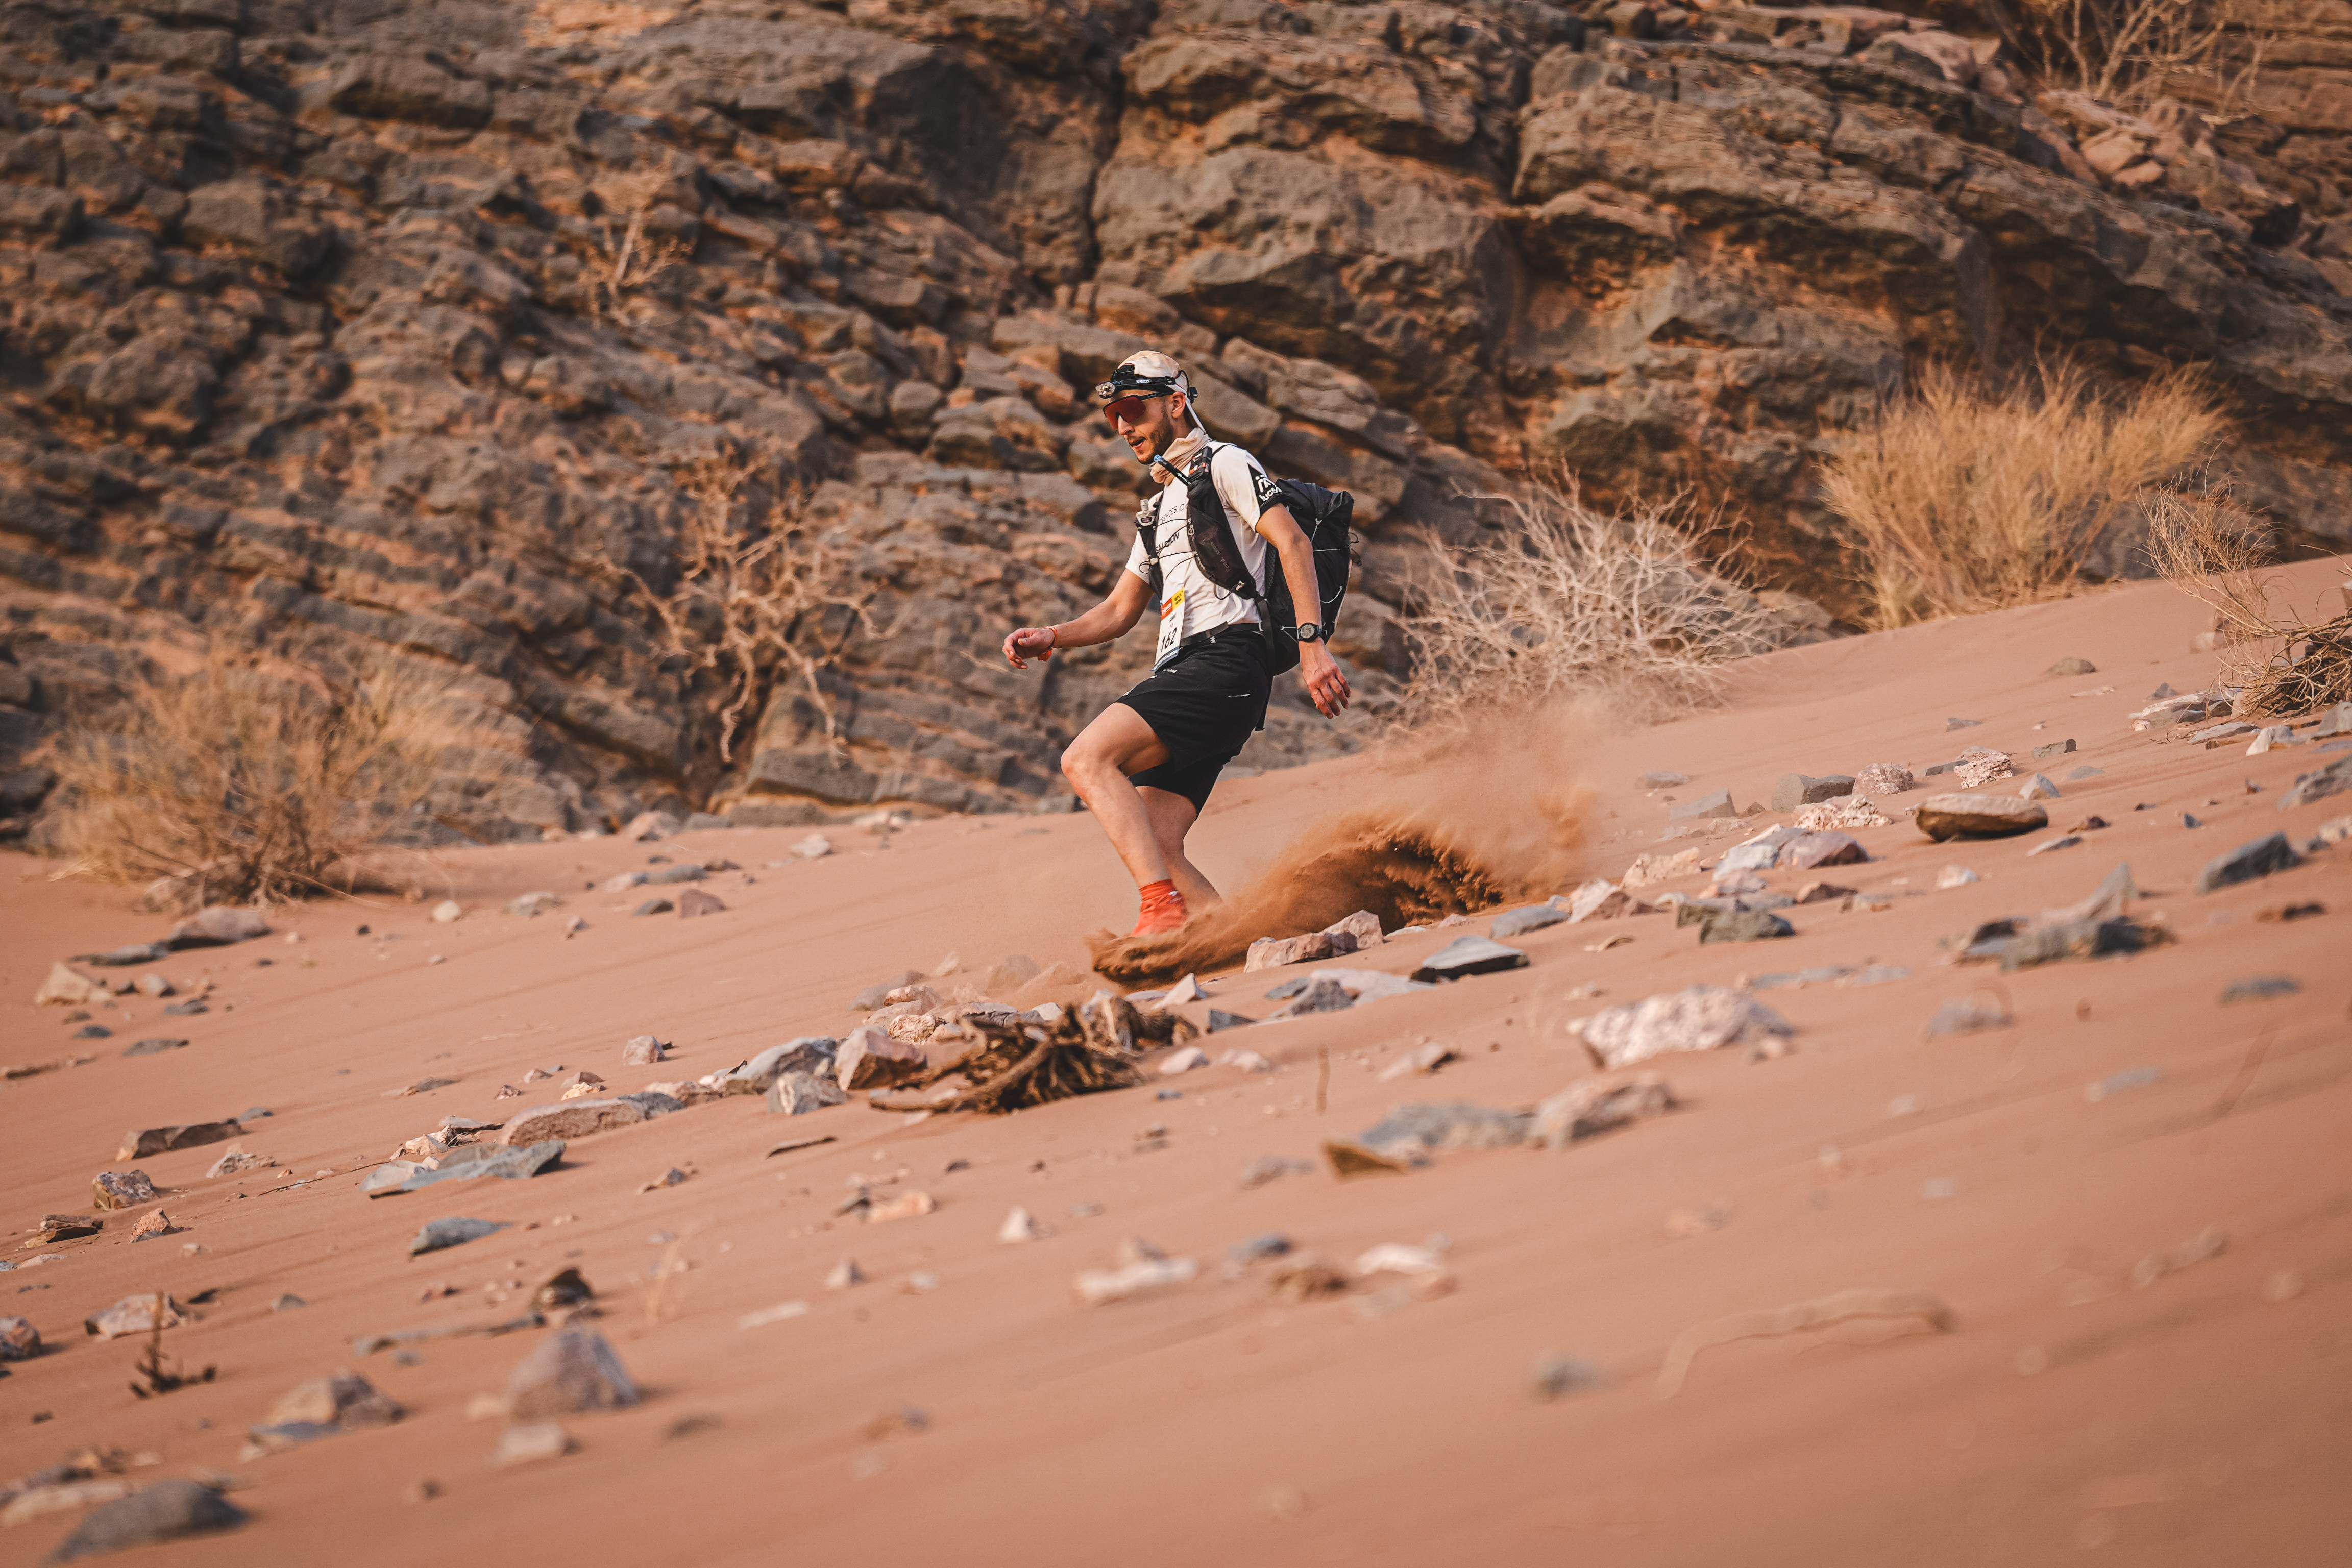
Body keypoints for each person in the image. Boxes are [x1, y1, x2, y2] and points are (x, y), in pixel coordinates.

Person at [1002, 351, 1351, 938]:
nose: (1122, 426)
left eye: (1133, 409)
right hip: (1205, 672)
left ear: (1176, 403)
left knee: (1085, 759)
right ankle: (1228, 939)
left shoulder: (1226, 463)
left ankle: (1162, 911)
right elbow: (1118, 610)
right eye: (1114, 415)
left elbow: (1290, 542)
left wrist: (1314, 647)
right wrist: (1053, 637)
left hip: (1224, 660)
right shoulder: (1159, 506)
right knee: (1157, 841)